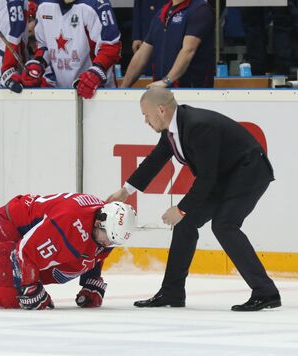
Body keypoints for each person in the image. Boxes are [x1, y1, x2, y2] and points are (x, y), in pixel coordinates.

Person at [107, 87, 280, 312]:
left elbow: (206, 178)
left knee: (224, 225)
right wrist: (126, 191)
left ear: (160, 110)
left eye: (146, 115)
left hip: (249, 173)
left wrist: (180, 209)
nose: (145, 121)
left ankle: (266, 292)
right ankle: (172, 292)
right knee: (185, 225)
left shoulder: (199, 126)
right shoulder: (173, 130)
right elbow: (155, 160)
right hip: (225, 177)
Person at [0, 193, 136, 309]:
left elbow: (94, 253)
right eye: (105, 237)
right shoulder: (68, 226)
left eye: (111, 242)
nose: (106, 245)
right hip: (7, 227)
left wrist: (91, 282)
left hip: (27, 234)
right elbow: (24, 250)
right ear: (100, 220)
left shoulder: (105, 225)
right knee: (10, 296)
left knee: (2, 280)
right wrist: (30, 288)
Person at [17, 0, 122, 99]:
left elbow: (111, 46)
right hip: (59, 92)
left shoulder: (97, 4)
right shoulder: (44, 5)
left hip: (98, 92)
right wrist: (39, 63)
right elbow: (44, 45)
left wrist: (97, 71)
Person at [121, 0, 214, 89]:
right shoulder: (161, 13)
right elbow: (141, 56)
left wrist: (166, 81)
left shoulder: (200, 9)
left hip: (192, 91)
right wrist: (122, 89)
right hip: (162, 92)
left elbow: (188, 50)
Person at [131, 0, 166, 75]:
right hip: (147, 24)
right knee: (148, 62)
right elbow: (138, 7)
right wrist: (137, 36)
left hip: (168, 22)